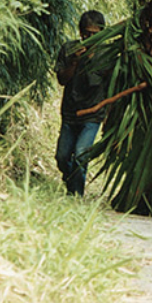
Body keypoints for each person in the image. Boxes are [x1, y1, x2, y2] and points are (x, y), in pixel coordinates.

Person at [55, 10, 107, 195]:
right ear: (80, 32)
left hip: (92, 115)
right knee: (62, 157)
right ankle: (70, 179)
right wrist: (75, 61)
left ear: (102, 33)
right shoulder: (69, 50)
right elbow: (62, 79)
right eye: (87, 34)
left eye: (95, 34)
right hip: (70, 113)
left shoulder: (107, 55)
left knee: (80, 155)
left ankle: (75, 195)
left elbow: (111, 87)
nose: (90, 38)